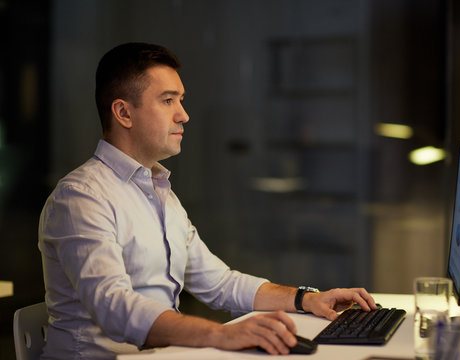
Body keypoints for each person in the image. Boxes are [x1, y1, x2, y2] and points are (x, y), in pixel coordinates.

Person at [38, 42, 377, 359]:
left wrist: (307, 299)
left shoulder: (159, 191)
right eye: (168, 100)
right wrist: (222, 335)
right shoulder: (80, 198)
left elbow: (219, 282)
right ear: (124, 113)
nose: (183, 115)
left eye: (180, 100)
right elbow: (116, 309)